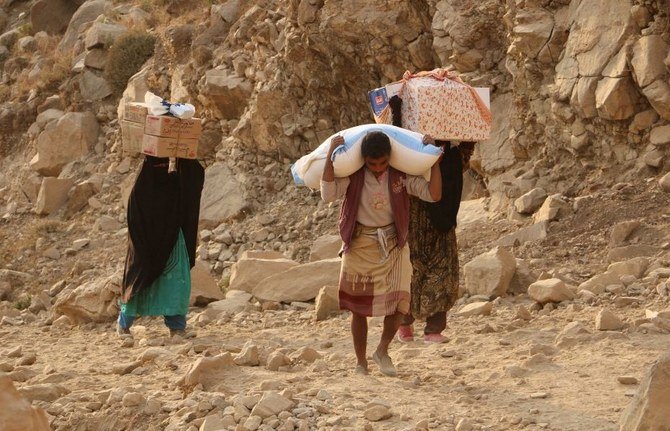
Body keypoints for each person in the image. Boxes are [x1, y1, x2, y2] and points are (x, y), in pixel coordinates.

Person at [320, 131, 442, 376]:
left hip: (394, 245)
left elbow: (433, 194)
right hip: (359, 245)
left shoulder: (400, 176)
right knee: (358, 308)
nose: (377, 168)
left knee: (399, 304)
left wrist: (434, 160)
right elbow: (328, 194)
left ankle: (382, 351)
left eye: (383, 162)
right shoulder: (354, 177)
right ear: (363, 159)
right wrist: (330, 157)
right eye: (372, 163)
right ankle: (360, 362)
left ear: (390, 158)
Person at [388, 94, 474, 343]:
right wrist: (397, 110)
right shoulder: (413, 155)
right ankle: (405, 325)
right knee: (410, 271)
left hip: (441, 225)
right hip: (416, 223)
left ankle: (432, 329)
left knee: (441, 273)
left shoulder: (452, 157)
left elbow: (469, 143)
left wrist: (464, 110)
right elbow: (397, 146)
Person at [117, 156, 204, 337]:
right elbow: (135, 223)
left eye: (165, 164)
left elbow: (192, 182)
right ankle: (123, 325)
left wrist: (186, 159)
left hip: (173, 245)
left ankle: (177, 327)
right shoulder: (140, 191)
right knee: (138, 285)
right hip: (147, 250)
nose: (162, 168)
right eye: (157, 164)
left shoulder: (173, 184)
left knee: (176, 284)